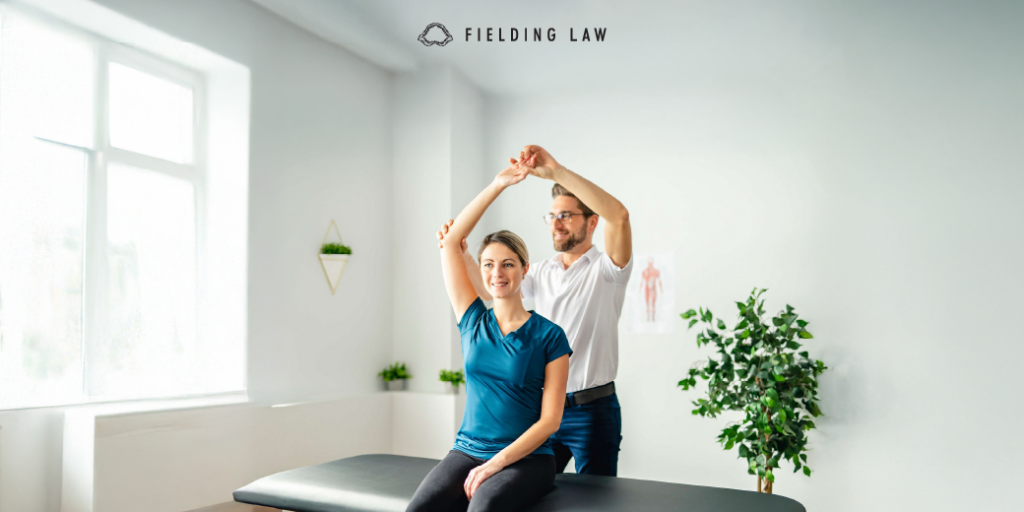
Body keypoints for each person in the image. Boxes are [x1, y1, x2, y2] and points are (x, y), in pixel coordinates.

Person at [438, 145, 633, 477]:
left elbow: (620, 216)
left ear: (592, 222)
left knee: (595, 503)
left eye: (566, 216)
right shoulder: (540, 271)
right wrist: (464, 254)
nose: (556, 224)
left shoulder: (608, 269)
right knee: (528, 498)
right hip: (540, 411)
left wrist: (555, 170)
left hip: (592, 410)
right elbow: (491, 288)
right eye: (552, 216)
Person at [407, 159, 573, 512]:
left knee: (482, 508)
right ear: (480, 270)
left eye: (508, 263)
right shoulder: (472, 320)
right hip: (467, 448)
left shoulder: (550, 336)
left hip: (529, 459)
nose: (497, 273)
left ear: (524, 269)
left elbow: (551, 421)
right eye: (488, 264)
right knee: (418, 510)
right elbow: (451, 242)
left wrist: (496, 464)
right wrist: (498, 184)